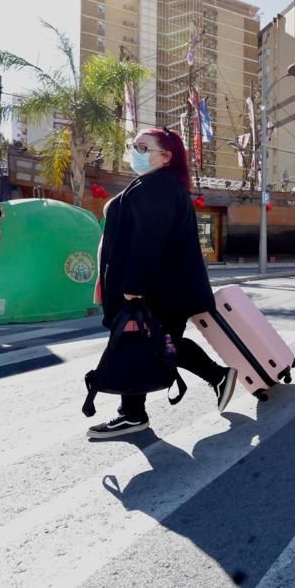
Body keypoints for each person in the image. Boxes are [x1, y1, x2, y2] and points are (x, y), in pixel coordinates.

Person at [88, 128, 237, 439]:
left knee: (149, 342)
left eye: (142, 147)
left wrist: (132, 285)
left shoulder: (158, 187)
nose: (135, 151)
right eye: (133, 145)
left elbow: (148, 240)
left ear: (166, 156)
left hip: (154, 291)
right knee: (151, 343)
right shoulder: (154, 184)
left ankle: (135, 412)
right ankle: (135, 412)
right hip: (156, 289)